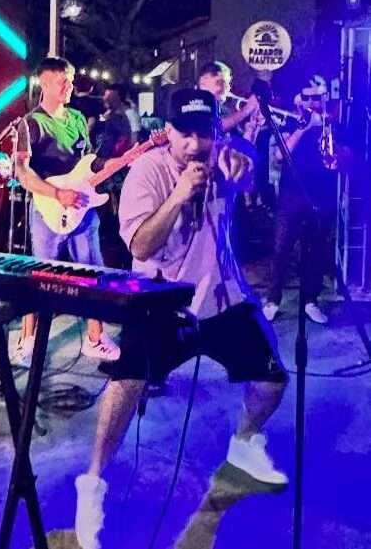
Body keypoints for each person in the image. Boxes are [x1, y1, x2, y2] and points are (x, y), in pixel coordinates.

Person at [73, 89, 288, 549]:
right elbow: (140, 246)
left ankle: (244, 443)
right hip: (161, 298)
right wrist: (178, 196)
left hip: (223, 296)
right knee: (125, 384)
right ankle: (92, 484)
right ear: (167, 131)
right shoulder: (146, 172)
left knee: (272, 381)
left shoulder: (222, 155)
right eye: (184, 134)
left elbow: (247, 163)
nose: (194, 144)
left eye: (203, 133)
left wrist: (244, 161)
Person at [11, 57, 121, 367]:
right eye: (63, 81)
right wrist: (57, 193)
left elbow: (87, 162)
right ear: (45, 83)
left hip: (82, 207)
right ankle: (28, 340)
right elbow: (23, 172)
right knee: (40, 275)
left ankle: (95, 338)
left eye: (71, 80)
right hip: (47, 208)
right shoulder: (30, 123)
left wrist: (114, 163)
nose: (70, 86)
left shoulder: (77, 118)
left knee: (92, 272)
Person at [262, 76, 335, 324]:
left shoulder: (331, 123)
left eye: (317, 97)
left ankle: (310, 301)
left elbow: (338, 155)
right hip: (290, 196)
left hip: (321, 195)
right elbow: (279, 155)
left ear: (324, 98)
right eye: (307, 97)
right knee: (281, 249)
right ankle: (272, 300)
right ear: (298, 100)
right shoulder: (290, 121)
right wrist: (304, 128)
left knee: (316, 249)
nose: (312, 102)